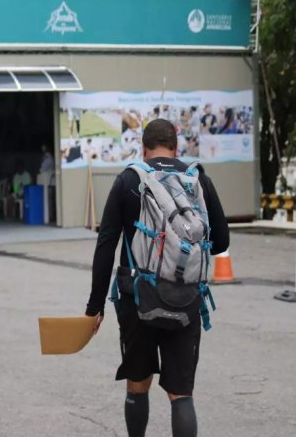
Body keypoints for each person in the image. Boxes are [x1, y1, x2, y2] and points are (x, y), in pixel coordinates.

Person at [85, 119, 229, 437]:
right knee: (181, 394)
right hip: (187, 297)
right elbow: (221, 242)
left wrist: (95, 306)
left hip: (136, 297)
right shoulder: (197, 179)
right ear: (176, 147)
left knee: (138, 385)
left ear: (143, 148)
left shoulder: (128, 180)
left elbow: (106, 245)